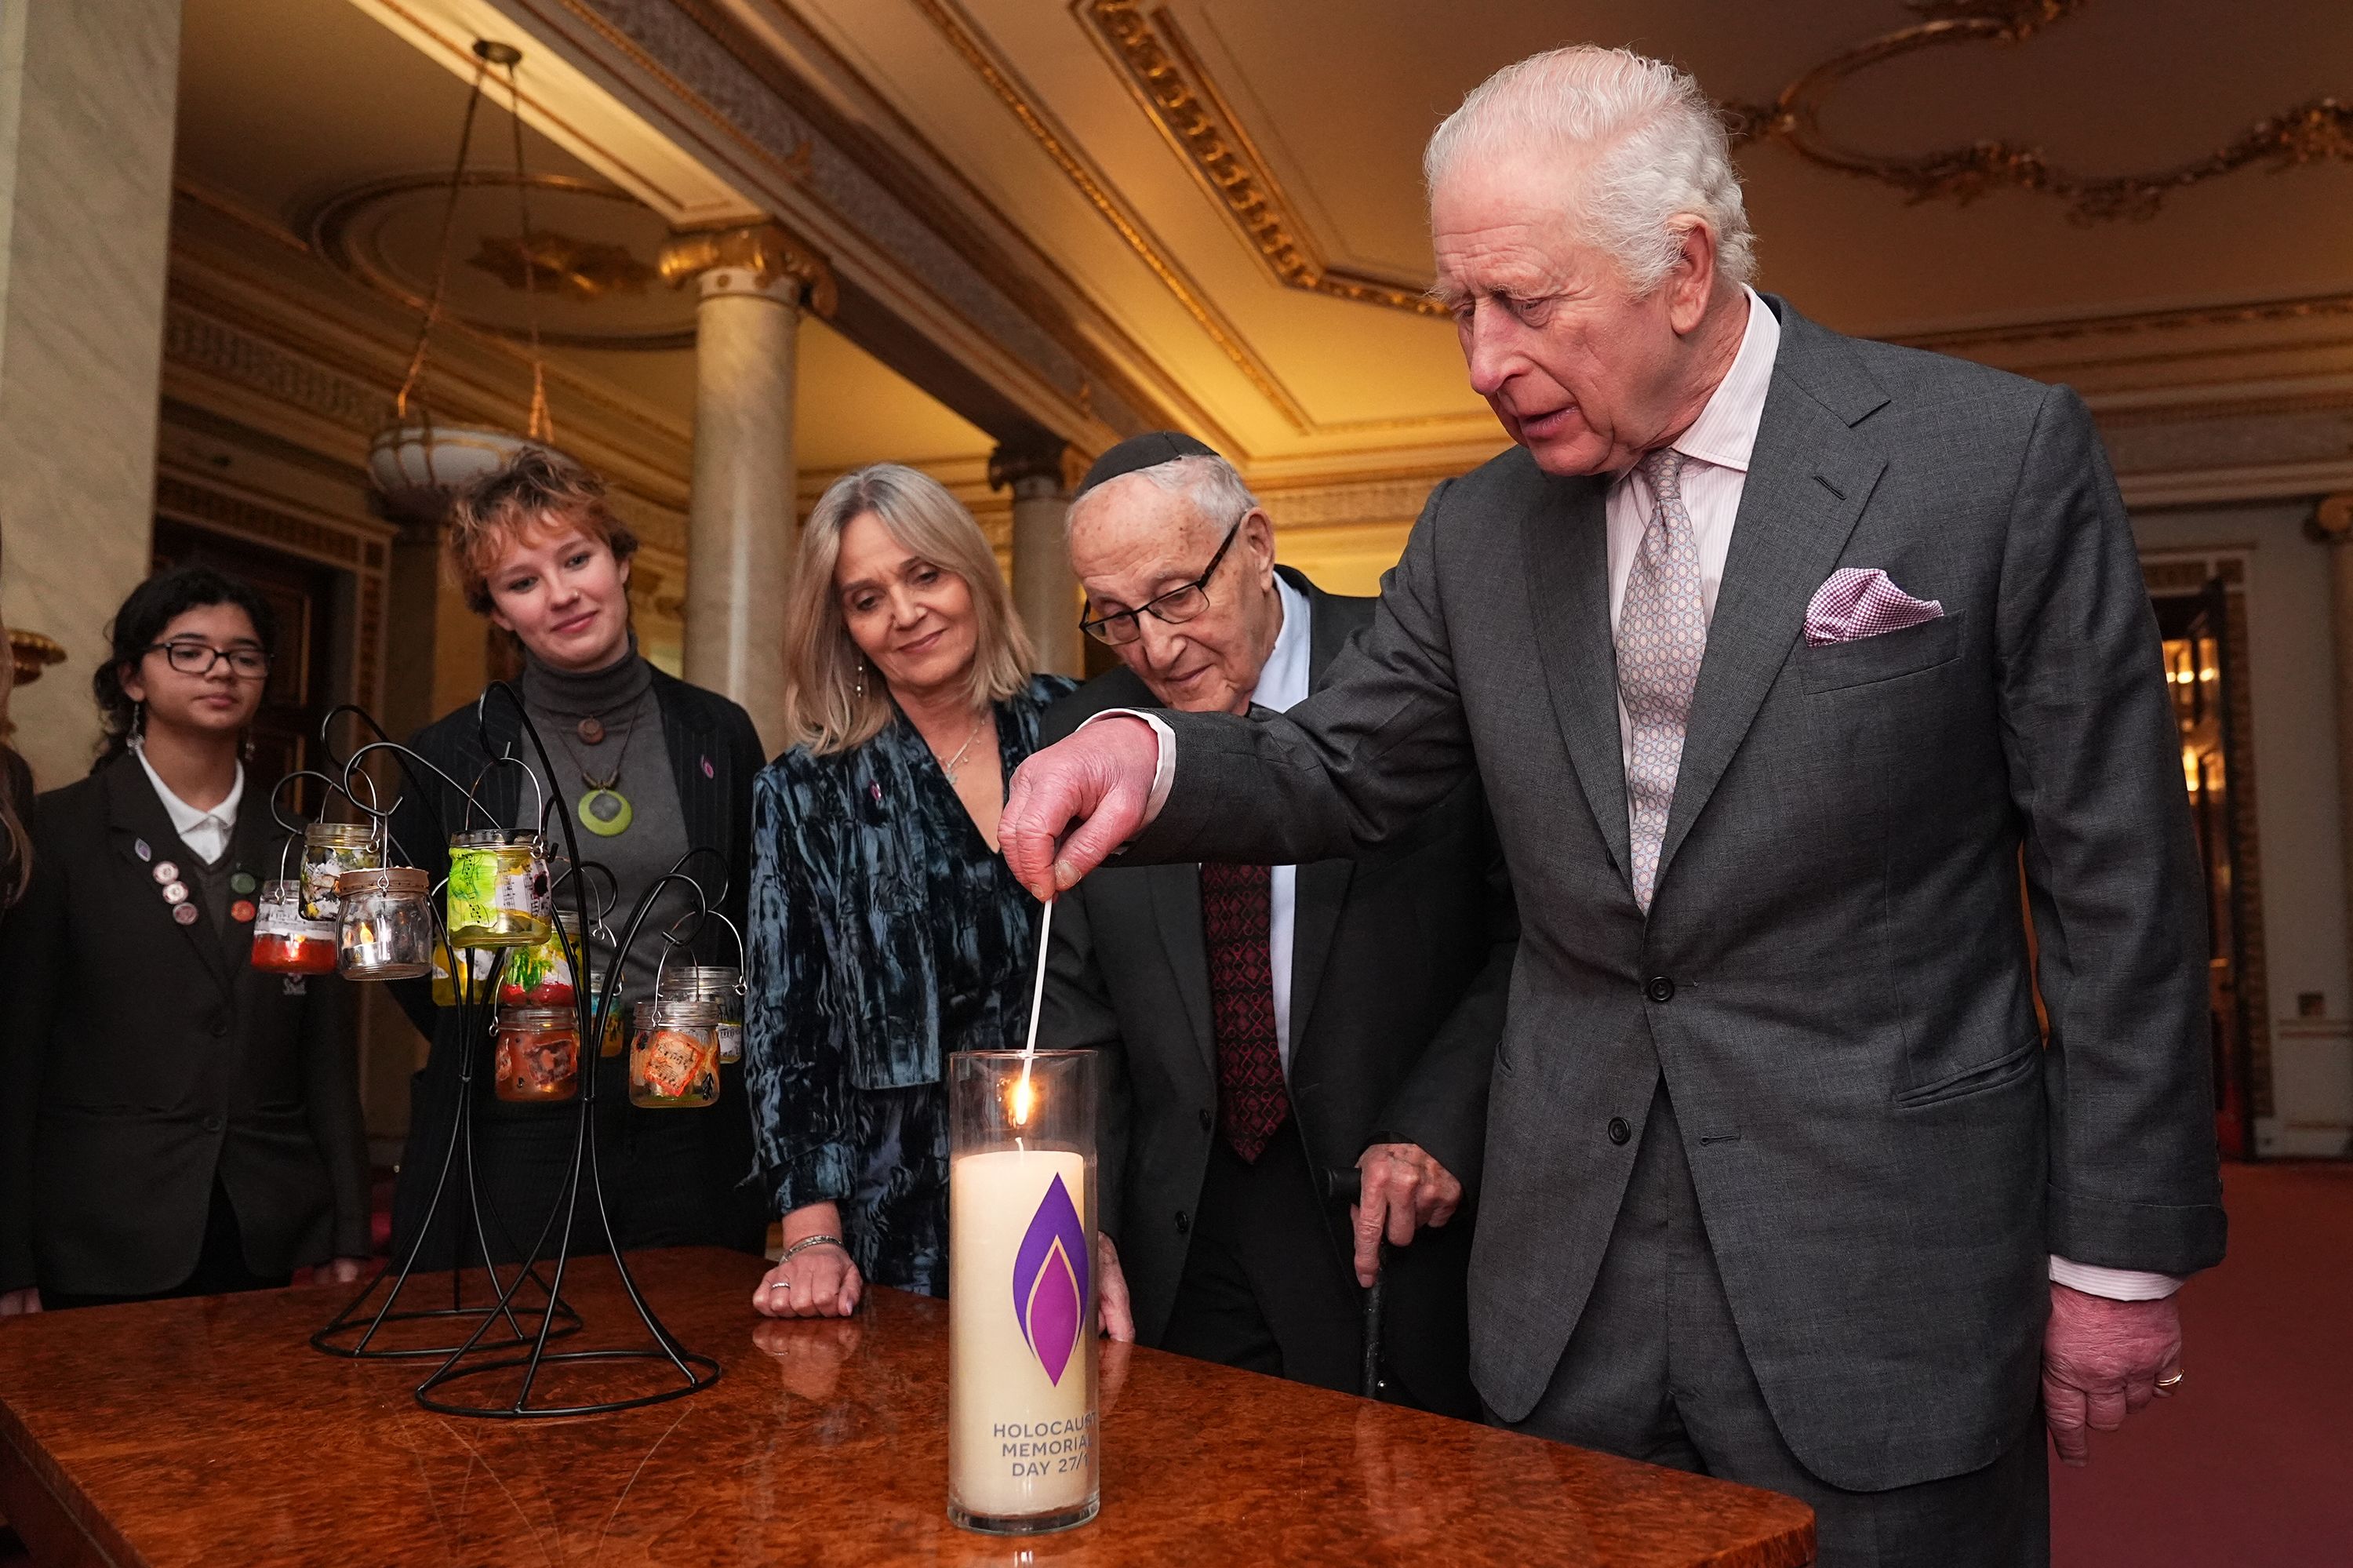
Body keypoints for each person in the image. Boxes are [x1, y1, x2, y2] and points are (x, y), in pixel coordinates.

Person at [999, 45, 2225, 1566]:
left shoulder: (1988, 462)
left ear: (1686, 271)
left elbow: (2122, 888)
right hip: (1563, 1281)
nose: (1482, 361)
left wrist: (2116, 1254)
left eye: (1526, 303)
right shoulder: (1473, 530)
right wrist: (1158, 758)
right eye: (1460, 308)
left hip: (1881, 1265)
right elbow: (1341, 763)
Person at [1035, 432, 1511, 1417]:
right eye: (1115, 619)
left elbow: (1530, 932)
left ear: (1255, 543)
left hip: (1400, 1214)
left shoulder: (1414, 672)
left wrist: (1439, 1125)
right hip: (1189, 1228)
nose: (1155, 650)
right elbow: (1077, 1010)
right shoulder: (1090, 733)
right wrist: (1079, 1215)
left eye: (1176, 597)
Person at [387, 449, 768, 1265]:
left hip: (687, 1103)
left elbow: (754, 918)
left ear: (621, 561)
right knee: (530, 1342)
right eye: (522, 581)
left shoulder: (717, 733)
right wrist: (498, 1022)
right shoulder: (449, 752)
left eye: (576, 558)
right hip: (518, 1119)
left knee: (694, 1327)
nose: (560, 593)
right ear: (495, 610)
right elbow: (408, 951)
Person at [744, 463, 1076, 1319]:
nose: (905, 612)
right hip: (897, 1220)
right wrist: (812, 1232)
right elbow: (789, 1026)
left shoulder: (1077, 730)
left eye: (924, 573)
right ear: (844, 627)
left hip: (1085, 1184)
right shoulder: (805, 791)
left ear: (970, 570)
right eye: (866, 597)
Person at [0, 568, 371, 1310]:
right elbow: (16, 1056)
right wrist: (8, 1257)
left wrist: (350, 1229)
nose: (221, 670)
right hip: (96, 1227)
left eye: (244, 654)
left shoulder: (306, 845)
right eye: (189, 651)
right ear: (133, 677)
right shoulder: (57, 832)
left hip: (263, 1222)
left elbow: (328, 1053)